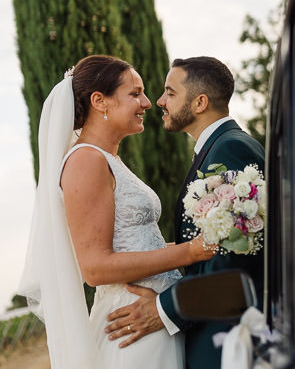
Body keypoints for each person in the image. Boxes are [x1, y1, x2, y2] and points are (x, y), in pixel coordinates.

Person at [17, 55, 216, 368]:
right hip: (132, 332)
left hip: (151, 320)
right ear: (100, 101)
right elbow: (95, 268)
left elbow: (137, 243)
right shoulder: (86, 161)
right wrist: (190, 252)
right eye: (135, 93)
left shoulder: (107, 159)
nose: (148, 103)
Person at [104, 56, 265, 369]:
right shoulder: (218, 148)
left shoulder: (230, 150)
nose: (160, 101)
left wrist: (166, 308)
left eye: (170, 93)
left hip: (225, 340)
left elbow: (232, 260)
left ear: (200, 102)